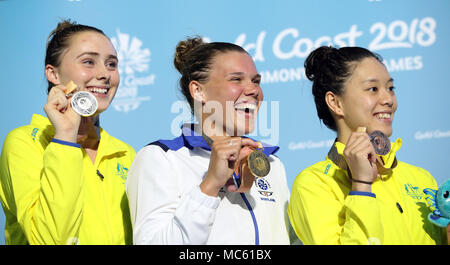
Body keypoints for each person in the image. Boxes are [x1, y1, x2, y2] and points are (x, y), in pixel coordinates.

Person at [126, 37, 295, 244]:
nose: (253, 90)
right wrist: (210, 185)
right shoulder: (161, 159)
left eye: (256, 81)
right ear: (198, 90)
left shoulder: (272, 164)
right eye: (236, 79)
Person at [287, 46, 448, 245]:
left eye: (390, 88)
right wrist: (361, 186)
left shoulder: (422, 179)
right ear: (335, 102)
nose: (388, 99)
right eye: (373, 89)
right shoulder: (314, 184)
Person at [0, 20, 135, 245]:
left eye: (111, 64)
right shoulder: (24, 143)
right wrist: (64, 138)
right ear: (53, 74)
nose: (105, 74)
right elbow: (49, 241)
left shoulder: (126, 153)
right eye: (89, 62)